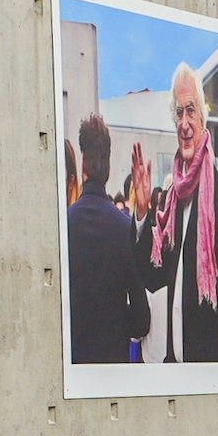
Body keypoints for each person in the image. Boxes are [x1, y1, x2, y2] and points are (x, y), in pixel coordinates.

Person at [145, 67, 218, 362]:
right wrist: (144, 213)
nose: (184, 123)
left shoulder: (215, 196)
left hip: (203, 378)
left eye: (190, 111)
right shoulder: (173, 198)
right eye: (179, 113)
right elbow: (153, 277)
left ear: (202, 120)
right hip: (175, 371)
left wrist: (215, 375)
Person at [63, 118, 150, 366]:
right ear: (109, 167)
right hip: (113, 368)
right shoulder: (124, 228)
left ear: (83, 165)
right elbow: (142, 319)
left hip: (74, 369)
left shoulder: (65, 225)